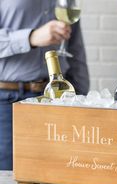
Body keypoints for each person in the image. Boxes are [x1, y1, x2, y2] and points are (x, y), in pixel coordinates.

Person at [0, 0, 89, 170]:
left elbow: (75, 50)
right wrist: (31, 37)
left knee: (57, 173)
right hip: (7, 103)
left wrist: (81, 98)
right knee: (7, 177)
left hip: (57, 99)